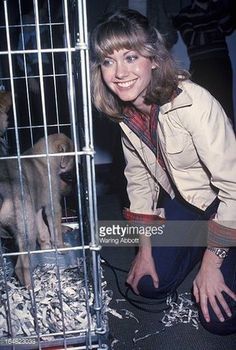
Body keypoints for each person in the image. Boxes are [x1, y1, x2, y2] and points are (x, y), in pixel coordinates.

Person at [90, 9, 236, 335]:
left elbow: (234, 189)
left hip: (225, 204)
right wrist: (145, 251)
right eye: (108, 61)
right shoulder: (127, 116)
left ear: (154, 59)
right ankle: (198, 244)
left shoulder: (194, 104)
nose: (119, 72)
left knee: (221, 320)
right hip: (187, 204)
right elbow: (139, 184)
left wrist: (213, 263)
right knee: (146, 284)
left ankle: (216, 250)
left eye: (130, 57)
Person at [173, 0, 235, 130]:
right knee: (204, 108)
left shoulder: (218, 8)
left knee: (226, 106)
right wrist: (216, 29)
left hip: (222, 64)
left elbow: (228, 27)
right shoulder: (185, 13)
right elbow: (192, 38)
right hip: (201, 66)